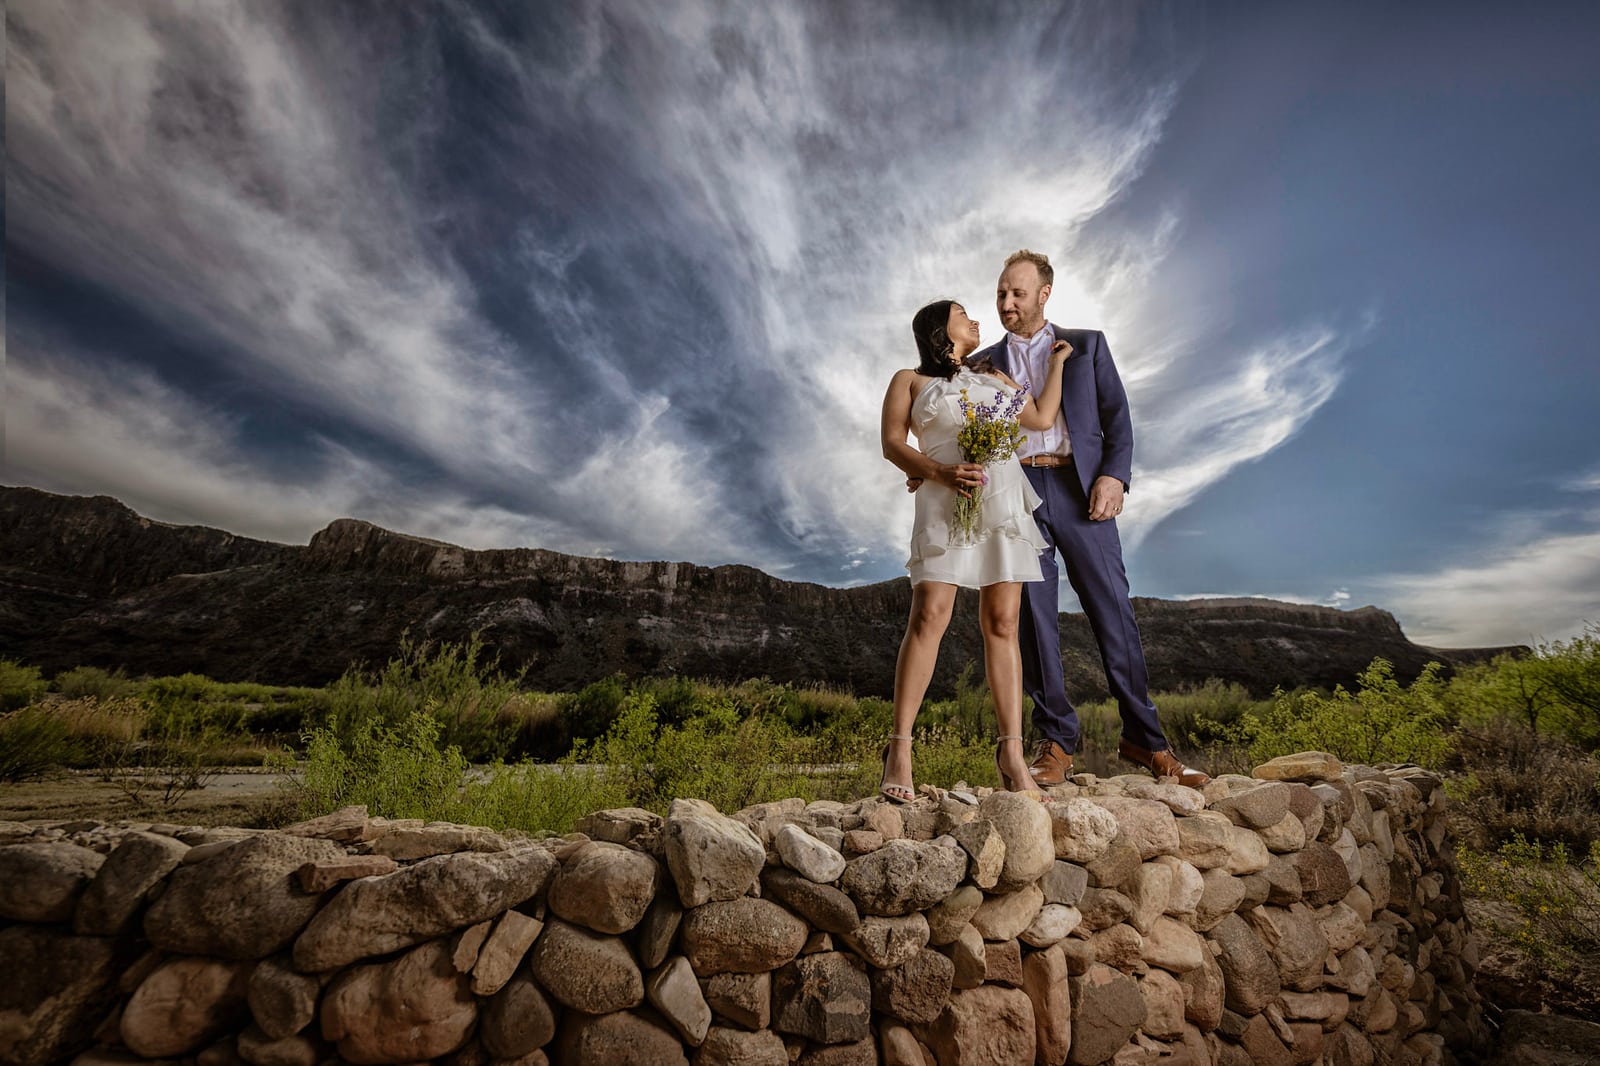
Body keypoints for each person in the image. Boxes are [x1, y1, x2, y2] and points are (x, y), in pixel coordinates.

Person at [960, 249, 1210, 788]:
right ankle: (1056, 742)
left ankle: (1146, 741)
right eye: (1001, 292)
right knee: (1033, 621)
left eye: (1017, 293)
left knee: (1113, 610)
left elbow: (1117, 415)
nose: (1006, 302)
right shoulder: (980, 363)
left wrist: (1114, 477)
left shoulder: (1088, 344)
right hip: (1015, 491)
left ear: (1044, 293)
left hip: (1080, 489)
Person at [877, 298, 1070, 802]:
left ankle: (1010, 752)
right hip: (945, 496)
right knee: (930, 615)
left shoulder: (996, 379)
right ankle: (899, 747)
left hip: (1002, 500)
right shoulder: (909, 380)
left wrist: (1057, 364)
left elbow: (1042, 416)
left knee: (1003, 623)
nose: (976, 320)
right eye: (963, 315)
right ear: (941, 329)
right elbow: (893, 443)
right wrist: (935, 472)